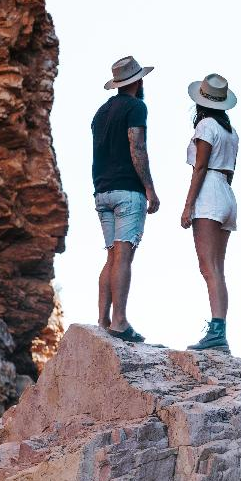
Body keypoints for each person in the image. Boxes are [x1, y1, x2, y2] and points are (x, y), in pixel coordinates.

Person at [92, 55, 160, 343]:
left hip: (102, 190)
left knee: (110, 256)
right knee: (123, 256)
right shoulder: (136, 107)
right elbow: (137, 146)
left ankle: (103, 320)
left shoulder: (101, 112)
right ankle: (119, 322)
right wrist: (149, 188)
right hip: (127, 192)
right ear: (138, 81)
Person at [181, 72, 239, 353]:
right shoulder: (230, 131)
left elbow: (200, 167)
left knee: (208, 266)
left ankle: (216, 333)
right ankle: (220, 330)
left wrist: (188, 205)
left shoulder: (205, 126)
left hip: (210, 193)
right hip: (227, 193)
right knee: (217, 268)